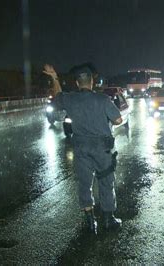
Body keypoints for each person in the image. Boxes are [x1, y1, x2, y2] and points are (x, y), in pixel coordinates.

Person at [43, 64, 123, 234]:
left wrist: (54, 77)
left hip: (81, 148)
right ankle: (108, 220)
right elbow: (118, 120)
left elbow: (58, 97)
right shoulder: (102, 100)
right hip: (102, 149)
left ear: (78, 83)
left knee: (85, 184)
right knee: (106, 182)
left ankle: (90, 222)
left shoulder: (71, 99)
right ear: (92, 82)